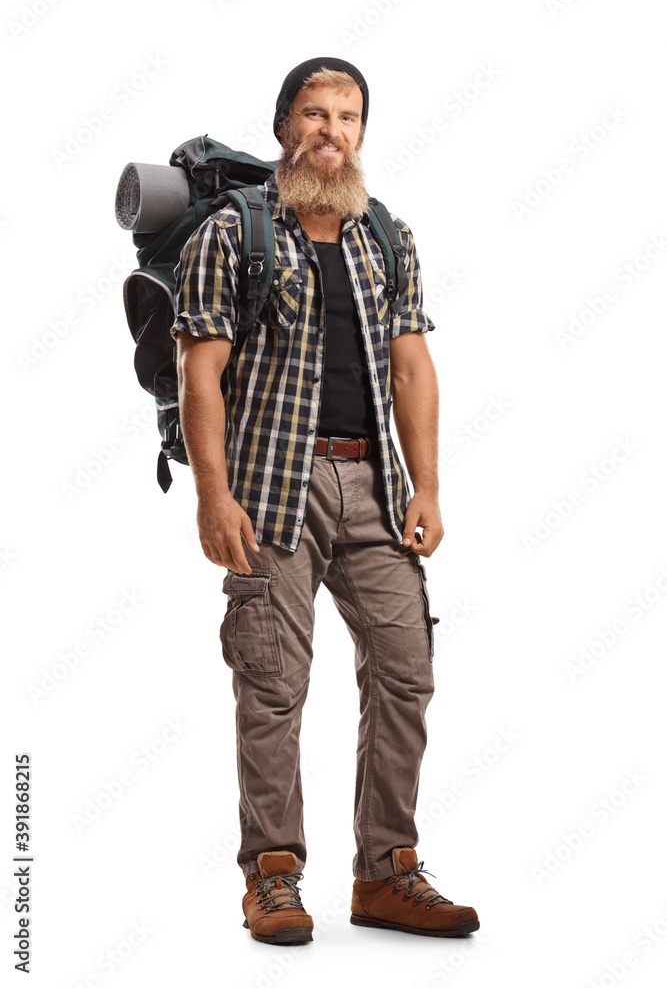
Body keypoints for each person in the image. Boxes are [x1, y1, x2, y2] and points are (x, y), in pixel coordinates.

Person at [170, 57, 479, 946]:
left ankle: (385, 873)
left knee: (405, 670)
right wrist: (211, 496)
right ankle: (272, 876)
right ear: (282, 128)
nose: (330, 131)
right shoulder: (235, 232)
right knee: (272, 683)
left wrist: (425, 486)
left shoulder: (386, 234)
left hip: (373, 486)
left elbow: (412, 366)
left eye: (347, 117)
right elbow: (203, 370)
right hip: (271, 486)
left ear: (361, 133)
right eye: (314, 114)